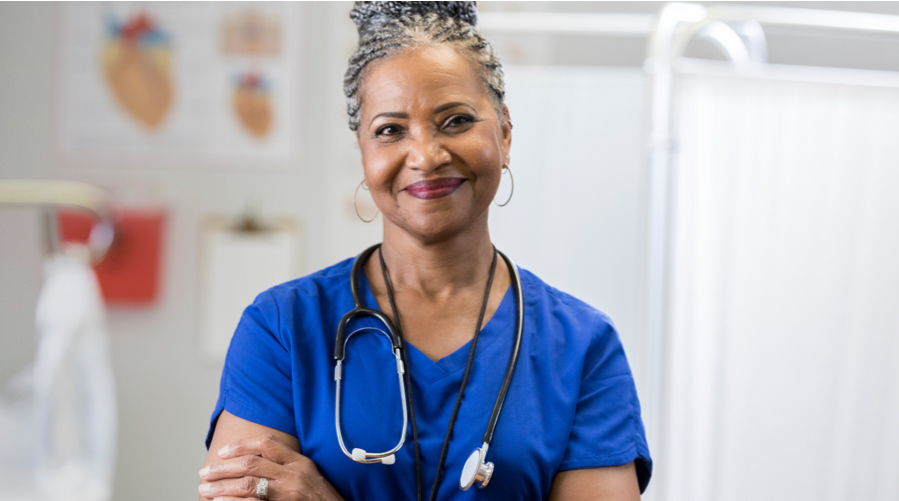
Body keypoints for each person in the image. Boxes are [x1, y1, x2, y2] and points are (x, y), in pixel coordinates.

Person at [197, 3, 650, 500]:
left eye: (455, 121)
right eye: (390, 130)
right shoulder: (283, 328)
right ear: (364, 152)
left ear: (504, 132)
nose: (426, 156)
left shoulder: (582, 346)